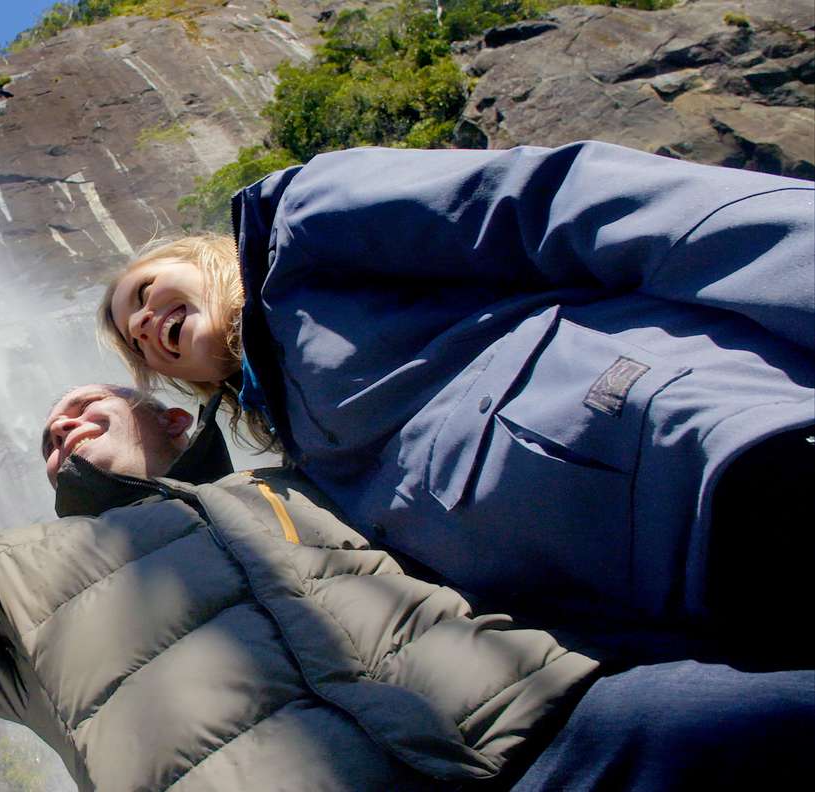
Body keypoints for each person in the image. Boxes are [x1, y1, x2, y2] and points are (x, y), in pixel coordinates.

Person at [0, 177, 608, 791]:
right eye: (47, 436)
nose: (56, 427)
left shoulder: (307, 480)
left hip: (555, 735)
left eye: (84, 405)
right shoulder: (9, 586)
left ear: (174, 420)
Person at [100, 142, 815, 662]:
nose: (139, 324)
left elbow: (558, 201)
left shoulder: (300, 226)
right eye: (135, 344)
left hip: (720, 452)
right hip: (699, 606)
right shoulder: (302, 455)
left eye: (140, 292)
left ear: (195, 256)